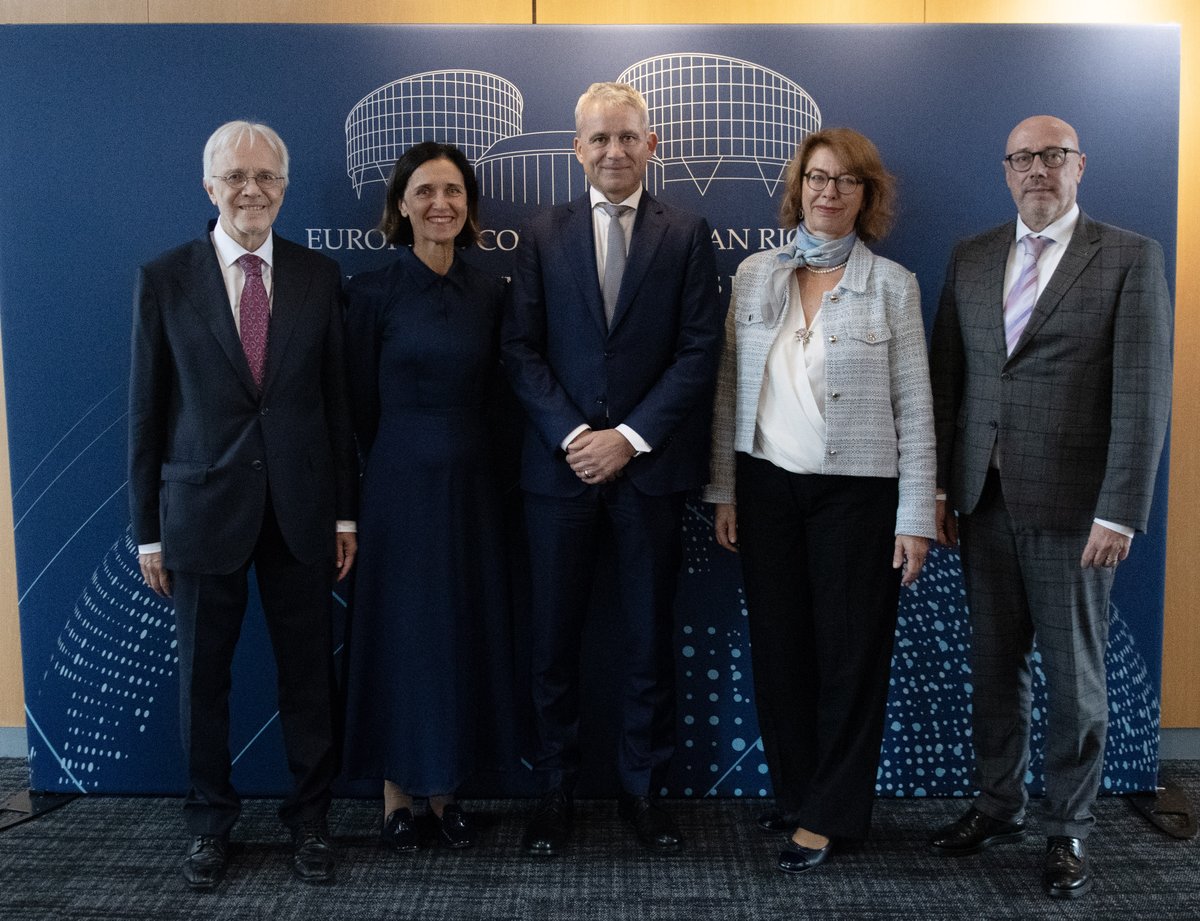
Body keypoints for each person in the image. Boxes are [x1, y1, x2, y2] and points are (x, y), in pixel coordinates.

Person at [928, 115, 1173, 899]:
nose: (1038, 169)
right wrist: (939, 487)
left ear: (1079, 166)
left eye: (1053, 156)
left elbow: (1143, 397)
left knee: (1075, 681)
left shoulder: (1130, 256)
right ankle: (998, 804)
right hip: (982, 502)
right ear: (1006, 170)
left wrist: (1121, 510)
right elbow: (947, 383)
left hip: (1076, 513)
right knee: (995, 672)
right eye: (1023, 158)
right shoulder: (971, 257)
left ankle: (1068, 825)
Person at [128, 120, 358, 889]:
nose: (251, 190)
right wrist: (147, 533)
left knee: (307, 677)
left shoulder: (319, 276)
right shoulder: (164, 278)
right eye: (235, 178)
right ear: (209, 187)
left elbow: (336, 407)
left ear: (284, 187)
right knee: (203, 680)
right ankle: (207, 824)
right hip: (199, 513)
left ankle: (312, 819)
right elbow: (146, 412)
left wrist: (344, 515)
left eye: (265, 177)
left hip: (300, 509)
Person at [704, 127, 935, 874]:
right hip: (767, 489)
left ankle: (832, 814)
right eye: (816, 178)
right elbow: (730, 389)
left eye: (844, 181)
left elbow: (917, 406)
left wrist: (915, 518)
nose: (828, 192)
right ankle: (801, 792)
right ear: (797, 188)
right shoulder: (754, 274)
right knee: (781, 654)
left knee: (850, 659)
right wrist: (724, 489)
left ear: (866, 196)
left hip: (858, 497)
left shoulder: (893, 285)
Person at [502, 82, 724, 855]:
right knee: (552, 644)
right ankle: (553, 791)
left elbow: (700, 351)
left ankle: (644, 791)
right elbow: (519, 349)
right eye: (598, 139)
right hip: (557, 474)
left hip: (650, 474)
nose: (614, 151)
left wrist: (627, 436)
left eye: (627, 137)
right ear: (577, 149)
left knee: (646, 640)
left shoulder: (688, 232)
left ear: (652, 144)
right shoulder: (539, 233)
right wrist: (574, 435)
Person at [341, 142, 511, 852]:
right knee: (401, 635)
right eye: (425, 191)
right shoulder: (370, 293)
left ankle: (447, 794)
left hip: (475, 490)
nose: (440, 202)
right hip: (398, 487)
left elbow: (504, 399)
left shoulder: (494, 292)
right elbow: (353, 406)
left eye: (453, 190)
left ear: (468, 205)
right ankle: (396, 798)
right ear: (401, 205)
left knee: (460, 634)